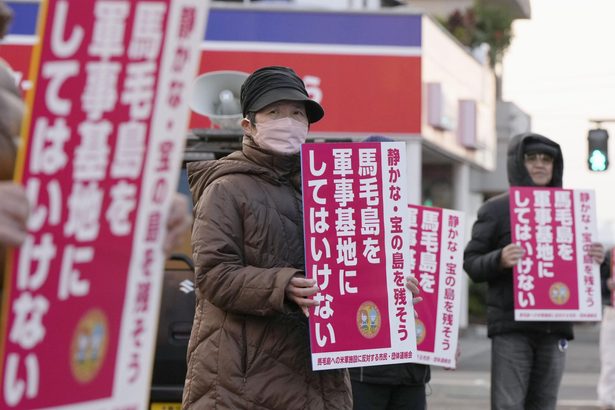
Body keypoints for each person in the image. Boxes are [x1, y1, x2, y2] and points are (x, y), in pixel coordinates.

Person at [182, 65, 353, 409]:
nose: (288, 121)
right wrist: (283, 284)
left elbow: (346, 265)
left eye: (296, 113)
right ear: (248, 124)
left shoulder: (325, 189)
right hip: (244, 382)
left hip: (317, 374)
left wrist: (384, 285)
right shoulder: (226, 188)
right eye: (274, 112)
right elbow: (214, 275)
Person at [463, 132, 605, 410]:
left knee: (545, 404)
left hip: (555, 329)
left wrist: (595, 259)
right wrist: (499, 259)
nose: (540, 165)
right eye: (532, 159)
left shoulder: (572, 209)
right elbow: (471, 262)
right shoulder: (496, 209)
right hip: (512, 328)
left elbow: (582, 276)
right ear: (518, 163)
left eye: (547, 159)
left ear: (555, 165)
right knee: (509, 405)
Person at [349, 135, 430, 410]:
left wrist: (445, 341)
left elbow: (440, 288)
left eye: (389, 166)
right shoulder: (340, 222)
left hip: (411, 368)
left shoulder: (419, 224)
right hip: (363, 368)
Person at [598, 248, 615, 410]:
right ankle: (607, 400)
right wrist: (606, 285)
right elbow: (595, 283)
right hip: (612, 310)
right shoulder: (610, 255)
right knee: (610, 359)